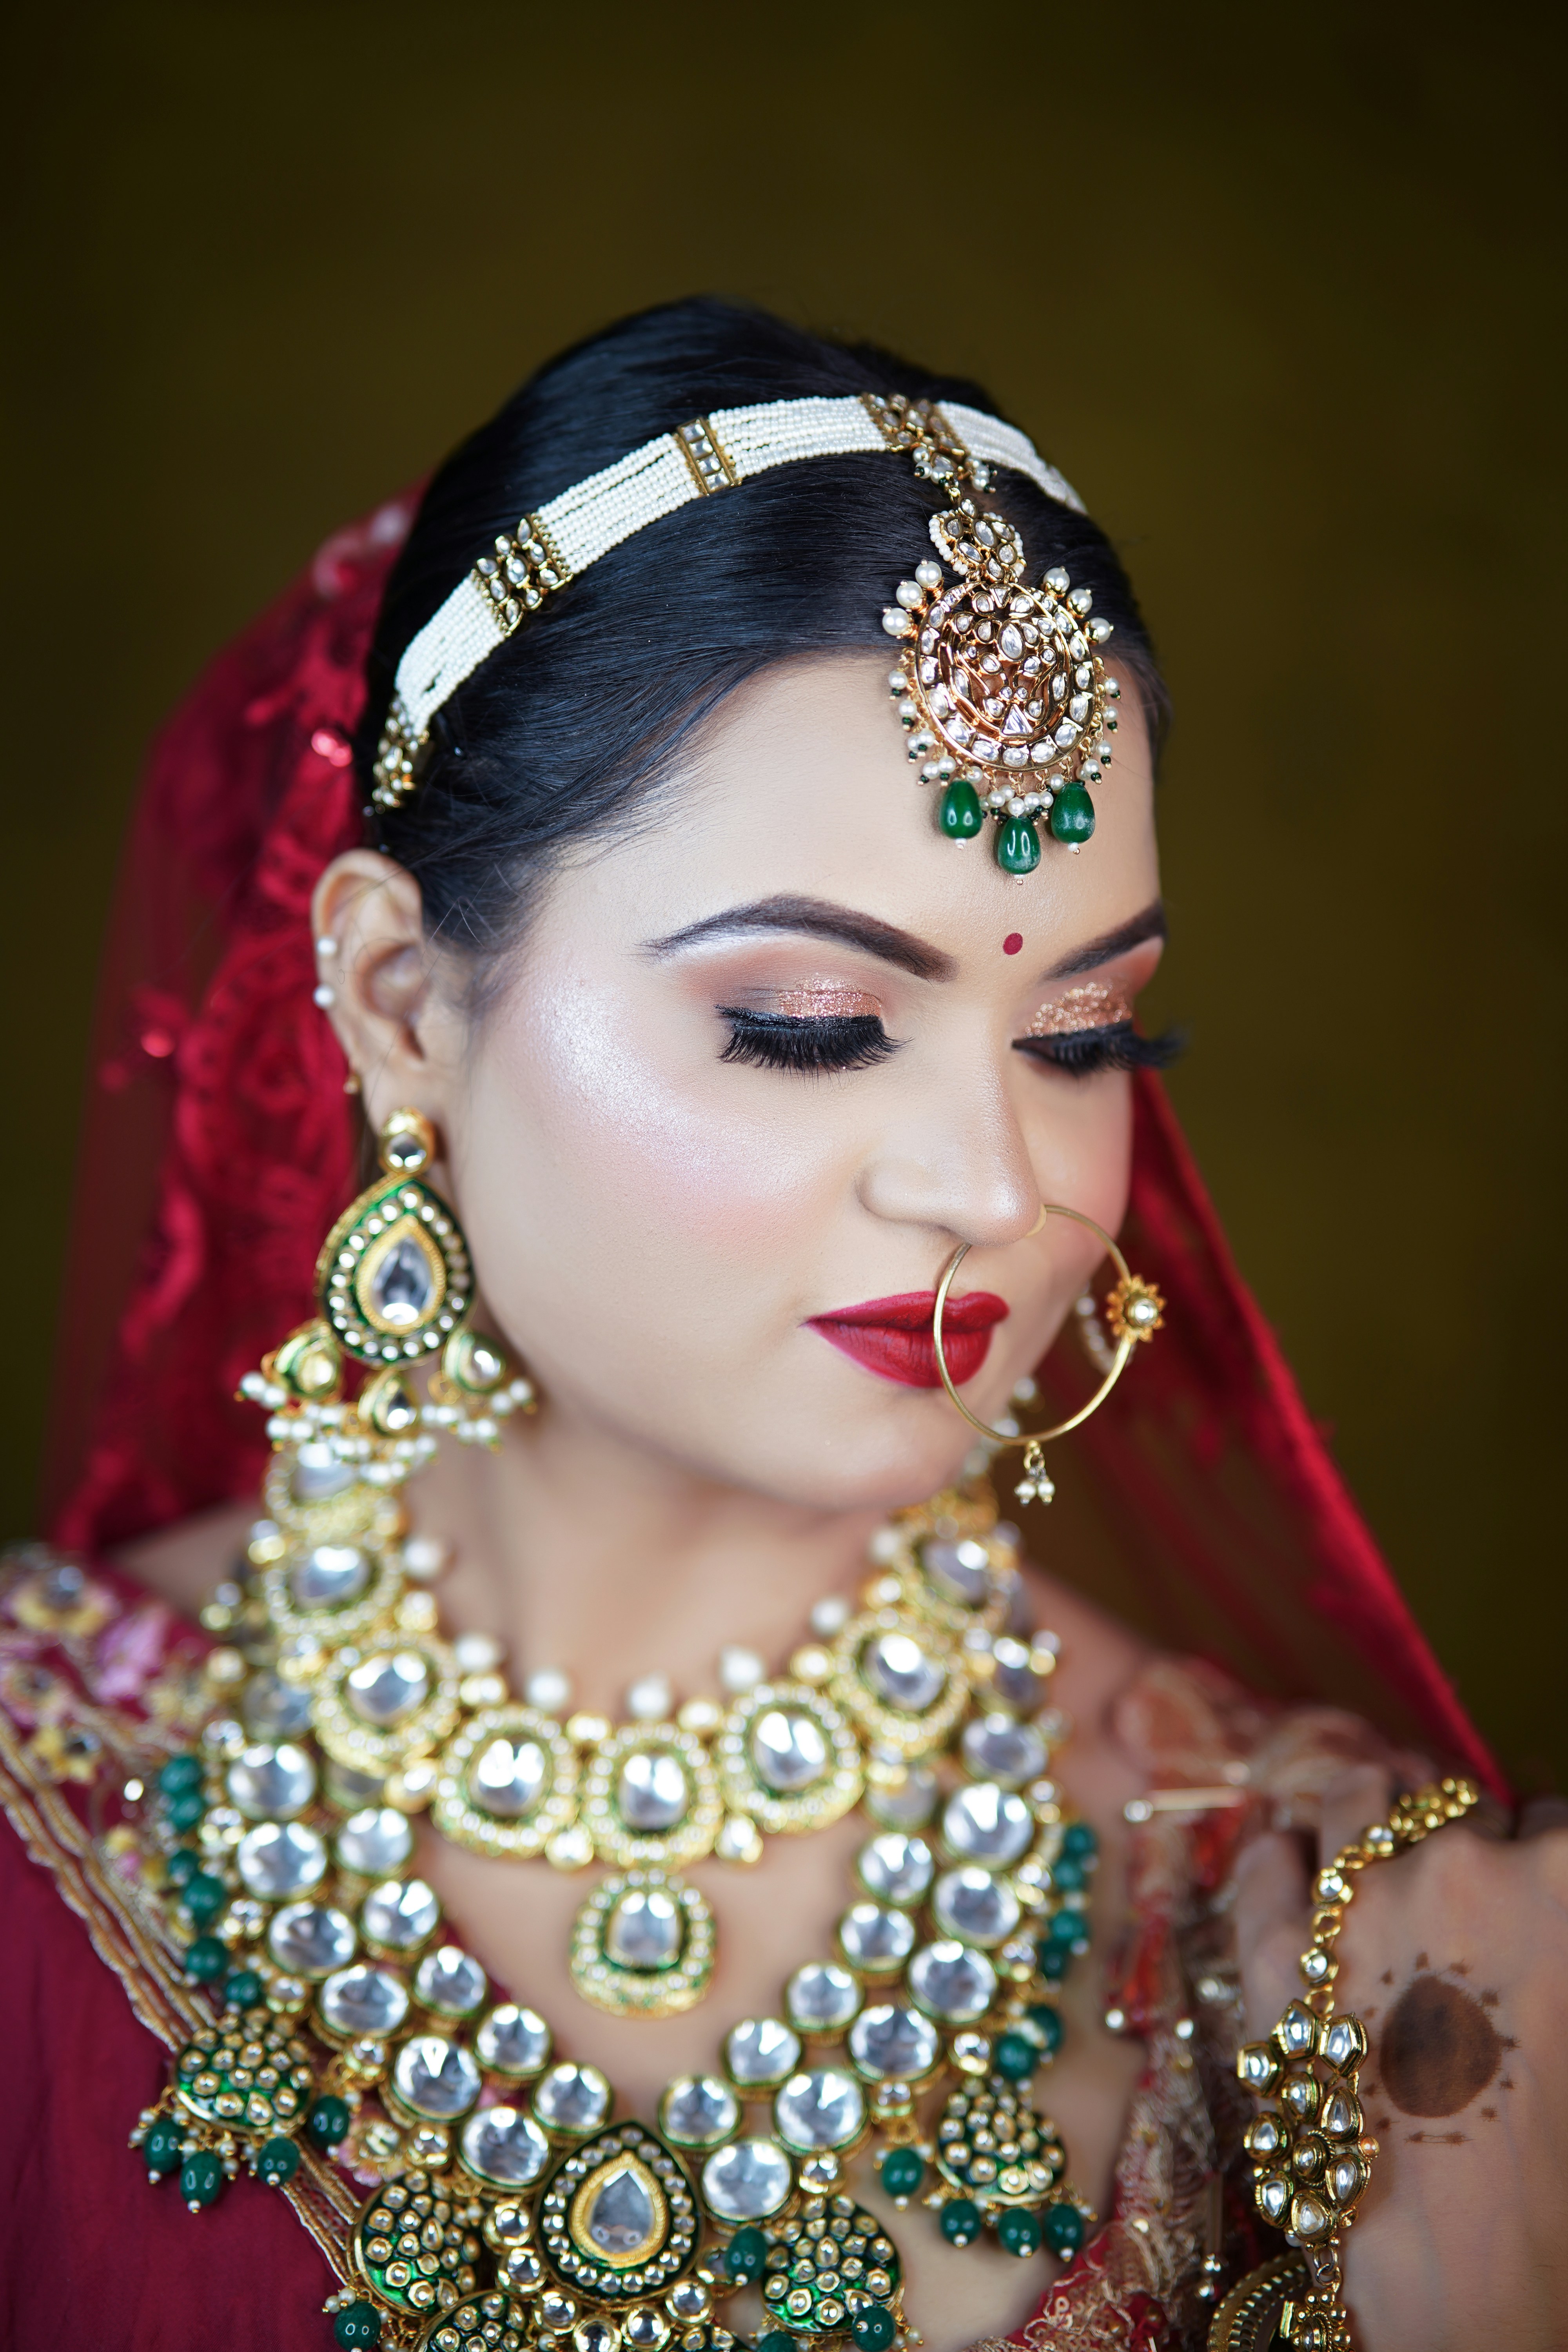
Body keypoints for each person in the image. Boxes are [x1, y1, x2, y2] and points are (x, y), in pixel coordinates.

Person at [2, 300, 1560, 2352]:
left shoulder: (1376, 1977)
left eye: (1091, 1033)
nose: (1002, 1191)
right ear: (398, 1004)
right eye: (808, 1028)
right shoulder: (47, 1815)